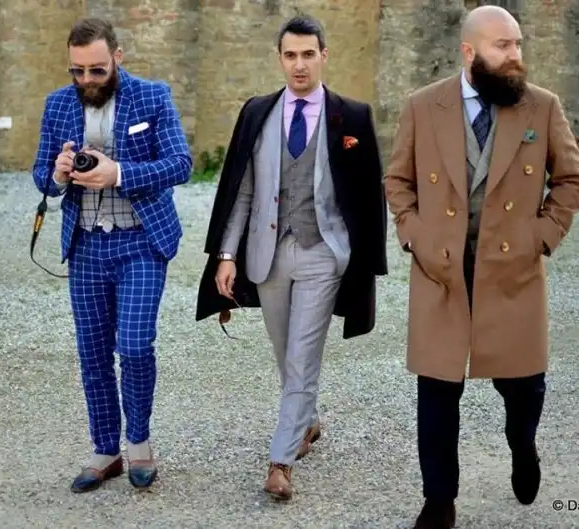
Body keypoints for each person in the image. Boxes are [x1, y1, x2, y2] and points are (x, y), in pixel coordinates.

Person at [384, 5, 579, 528]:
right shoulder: (423, 105)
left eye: (518, 43)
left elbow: (572, 180)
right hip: (441, 272)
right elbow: (398, 181)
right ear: (469, 52)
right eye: (503, 46)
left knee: (524, 388)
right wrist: (414, 234)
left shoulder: (542, 107)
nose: (516, 55)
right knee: (437, 391)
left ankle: (522, 445)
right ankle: (439, 500)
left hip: (512, 272)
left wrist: (540, 237)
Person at [195, 14, 388, 501]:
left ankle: (280, 461)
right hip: (267, 254)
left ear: (324, 56)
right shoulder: (257, 113)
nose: (299, 65)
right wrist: (226, 254)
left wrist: (363, 257)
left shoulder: (353, 116)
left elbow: (370, 193)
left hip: (323, 252)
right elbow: (241, 191)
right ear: (279, 59)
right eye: (290, 55)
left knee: (302, 355)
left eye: (308, 54)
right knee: (285, 352)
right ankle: (307, 420)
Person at [31, 17, 192, 493]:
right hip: (85, 245)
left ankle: (138, 442)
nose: (86, 80)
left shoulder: (152, 96)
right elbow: (41, 177)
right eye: (77, 70)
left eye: (97, 70)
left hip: (140, 240)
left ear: (117, 58)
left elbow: (180, 164)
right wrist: (58, 174)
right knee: (93, 352)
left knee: (136, 345)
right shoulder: (57, 104)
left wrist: (118, 173)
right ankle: (106, 451)